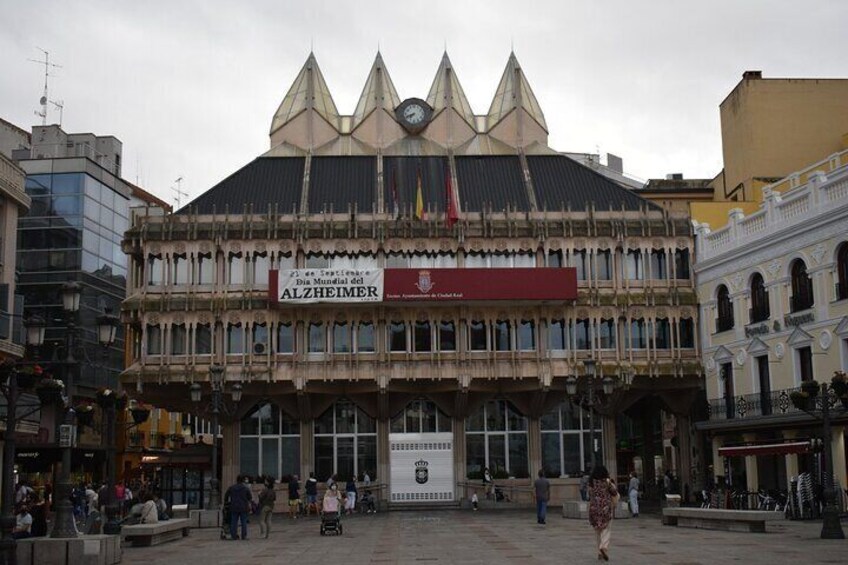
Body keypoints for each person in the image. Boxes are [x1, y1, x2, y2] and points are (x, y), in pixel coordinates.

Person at [588, 465, 619, 562]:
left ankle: (599, 552)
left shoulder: (591, 483)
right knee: (606, 529)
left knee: (597, 531)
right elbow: (614, 493)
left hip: (594, 509)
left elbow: (589, 494)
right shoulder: (607, 482)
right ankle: (604, 547)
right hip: (605, 508)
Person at [224, 475, 252, 540]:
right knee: (244, 522)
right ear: (243, 480)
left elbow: (226, 495)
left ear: (236, 480)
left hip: (234, 506)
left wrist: (226, 502)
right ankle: (243, 536)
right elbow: (250, 497)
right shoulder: (245, 488)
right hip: (243, 507)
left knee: (234, 522)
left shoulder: (231, 487)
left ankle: (233, 535)